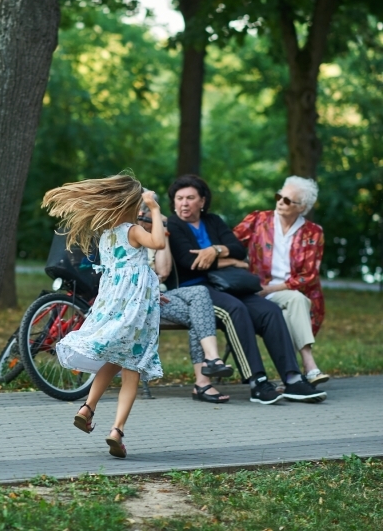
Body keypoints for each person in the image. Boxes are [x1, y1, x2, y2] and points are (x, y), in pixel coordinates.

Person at [166, 174, 326, 405]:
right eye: (179, 198)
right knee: (235, 309)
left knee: (270, 311)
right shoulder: (174, 225)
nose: (184, 203)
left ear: (202, 201)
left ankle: (292, 379)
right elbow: (189, 263)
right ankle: (257, 382)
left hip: (229, 285)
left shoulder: (213, 221)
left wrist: (216, 250)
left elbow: (238, 249)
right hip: (196, 291)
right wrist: (230, 260)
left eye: (190, 198)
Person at [43, 174, 166, 459]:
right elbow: (158, 243)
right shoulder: (133, 230)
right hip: (135, 309)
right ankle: (117, 431)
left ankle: (87, 408)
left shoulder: (107, 235)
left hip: (114, 305)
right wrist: (155, 209)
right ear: (132, 205)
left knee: (115, 359)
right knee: (132, 367)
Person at [137, 198, 234, 404]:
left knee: (199, 293)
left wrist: (162, 229)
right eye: (145, 211)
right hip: (139, 301)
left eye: (150, 211)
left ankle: (212, 359)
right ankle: (203, 382)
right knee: (198, 313)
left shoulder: (156, 237)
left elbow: (163, 271)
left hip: (163, 295)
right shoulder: (128, 236)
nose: (147, 216)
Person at [234, 176, 328, 386]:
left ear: (302, 207)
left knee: (293, 304)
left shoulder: (313, 232)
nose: (280, 202)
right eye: (279, 197)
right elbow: (231, 243)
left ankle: (293, 376)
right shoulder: (258, 220)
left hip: (294, 293)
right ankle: (308, 367)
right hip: (257, 293)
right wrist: (235, 263)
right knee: (294, 305)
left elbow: (309, 275)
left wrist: (271, 289)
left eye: (287, 200)